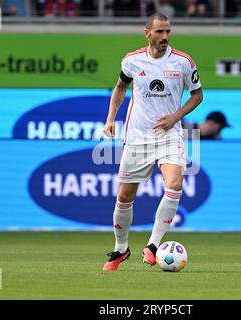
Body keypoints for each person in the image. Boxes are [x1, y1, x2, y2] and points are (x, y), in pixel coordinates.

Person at [101, 13, 203, 271]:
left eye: (168, 31)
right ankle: (120, 249)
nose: (165, 37)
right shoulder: (132, 61)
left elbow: (197, 96)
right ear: (147, 32)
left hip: (169, 135)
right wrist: (111, 118)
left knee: (175, 184)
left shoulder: (183, 62)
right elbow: (120, 87)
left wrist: (175, 117)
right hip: (137, 137)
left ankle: (153, 246)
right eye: (159, 32)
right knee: (124, 196)